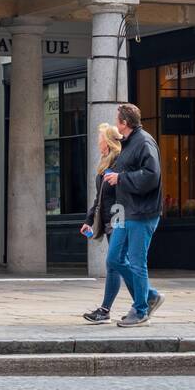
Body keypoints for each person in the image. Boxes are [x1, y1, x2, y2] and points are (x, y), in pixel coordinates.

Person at [104, 103, 165, 327]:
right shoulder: (127, 142)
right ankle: (149, 295)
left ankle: (140, 311)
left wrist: (120, 178)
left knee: (138, 263)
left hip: (141, 212)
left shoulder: (144, 142)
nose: (114, 123)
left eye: (116, 119)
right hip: (123, 210)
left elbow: (151, 176)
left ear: (125, 123)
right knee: (114, 258)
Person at [81, 123, 123, 324]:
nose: (97, 142)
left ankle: (146, 298)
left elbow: (122, 195)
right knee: (117, 264)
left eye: (100, 139)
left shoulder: (119, 163)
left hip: (118, 218)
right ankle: (145, 299)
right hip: (107, 220)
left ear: (107, 142)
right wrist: (89, 220)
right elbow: (99, 198)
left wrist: (117, 221)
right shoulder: (104, 163)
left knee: (114, 263)